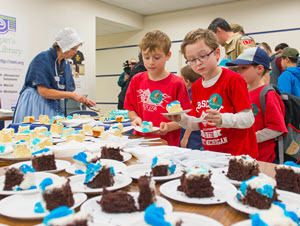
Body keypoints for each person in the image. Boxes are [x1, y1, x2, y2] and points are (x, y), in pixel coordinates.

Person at [164, 28, 258, 158]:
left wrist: (222, 119)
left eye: (203, 56)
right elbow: (198, 123)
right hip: (213, 156)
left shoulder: (233, 80)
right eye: (191, 60)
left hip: (239, 155)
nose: (198, 63)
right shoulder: (196, 87)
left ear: (217, 53)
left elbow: (248, 119)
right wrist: (181, 119)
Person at [13, 27, 95, 123]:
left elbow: (64, 91)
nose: (75, 52)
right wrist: (72, 95)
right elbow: (43, 91)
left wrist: (82, 99)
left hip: (53, 103)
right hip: (36, 103)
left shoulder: (66, 64)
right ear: (62, 46)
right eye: (73, 49)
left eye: (76, 49)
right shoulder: (42, 59)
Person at [124, 30, 191, 146]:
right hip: (140, 141)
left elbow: (184, 118)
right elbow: (130, 110)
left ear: (168, 56)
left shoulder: (177, 83)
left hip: (166, 144)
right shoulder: (136, 80)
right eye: (146, 57)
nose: (151, 62)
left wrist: (169, 126)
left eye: (156, 57)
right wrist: (135, 119)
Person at [226, 47, 287, 162]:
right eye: (238, 68)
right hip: (244, 155)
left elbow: (277, 128)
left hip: (263, 158)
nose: (239, 72)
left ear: (259, 69)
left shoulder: (268, 94)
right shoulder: (242, 93)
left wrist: (249, 138)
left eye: (244, 68)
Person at [179, 65, 203, 150]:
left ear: (187, 82)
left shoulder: (190, 96)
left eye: (181, 78)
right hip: (197, 136)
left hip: (191, 137)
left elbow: (193, 115)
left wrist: (185, 137)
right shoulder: (200, 92)